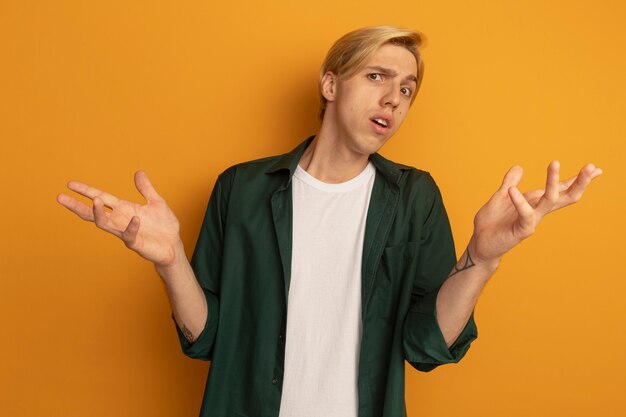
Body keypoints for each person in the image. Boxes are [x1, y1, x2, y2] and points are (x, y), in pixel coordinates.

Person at [57, 26, 602, 417]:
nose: (394, 97)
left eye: (408, 88)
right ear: (331, 84)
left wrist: (483, 259)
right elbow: (207, 339)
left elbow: (427, 345)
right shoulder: (242, 188)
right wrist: (172, 261)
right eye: (377, 76)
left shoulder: (414, 196)